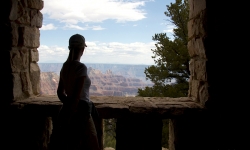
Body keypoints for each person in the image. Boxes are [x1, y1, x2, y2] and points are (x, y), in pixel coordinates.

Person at [49, 34, 100, 150]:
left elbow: (60, 93)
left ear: (69, 48)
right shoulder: (81, 68)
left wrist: (68, 107)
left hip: (66, 110)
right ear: (82, 49)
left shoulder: (65, 66)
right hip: (82, 111)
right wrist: (73, 112)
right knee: (93, 143)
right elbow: (77, 97)